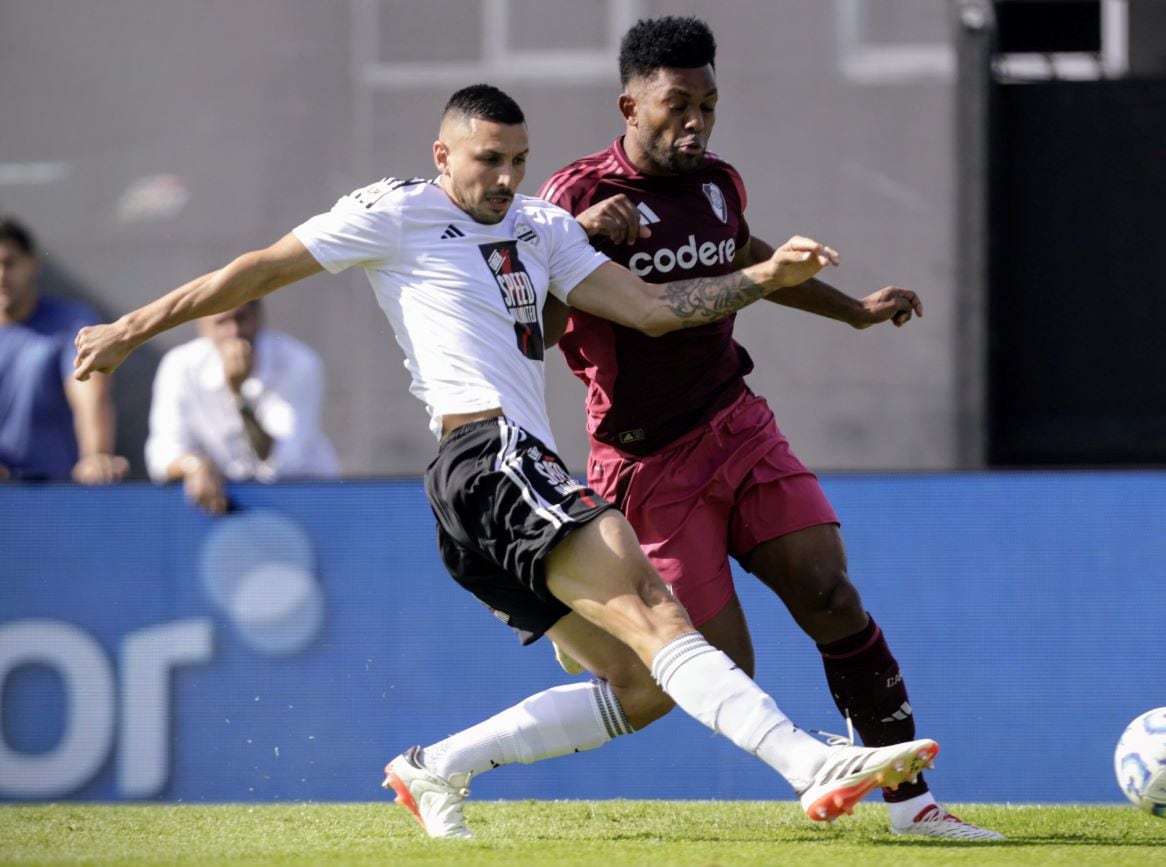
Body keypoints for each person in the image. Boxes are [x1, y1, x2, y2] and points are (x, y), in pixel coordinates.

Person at [73, 84, 941, 839]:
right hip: (487, 455)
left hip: (499, 483)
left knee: (639, 683)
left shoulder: (543, 226)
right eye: (488, 160)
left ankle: (433, 765)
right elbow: (253, 272)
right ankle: (808, 766)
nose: (505, 179)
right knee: (654, 606)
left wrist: (763, 278)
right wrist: (126, 329)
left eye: (519, 160)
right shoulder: (398, 210)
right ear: (442, 154)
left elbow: (649, 308)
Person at [538, 17, 1001, 841]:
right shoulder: (572, 198)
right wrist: (577, 241)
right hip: (646, 465)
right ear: (630, 105)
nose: (697, 123)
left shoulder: (718, 183)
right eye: (677, 105)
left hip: (736, 425)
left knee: (829, 589)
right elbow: (529, 327)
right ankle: (589, 629)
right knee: (717, 670)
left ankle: (913, 802)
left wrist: (852, 310)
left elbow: (740, 252)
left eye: (709, 105)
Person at [145, 299, 341, 514]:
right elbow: (162, 454)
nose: (234, 332)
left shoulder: (300, 362)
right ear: (201, 326)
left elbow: (283, 463)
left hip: (302, 503)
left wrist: (238, 397)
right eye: (221, 322)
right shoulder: (178, 366)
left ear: (258, 318)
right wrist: (194, 465)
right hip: (223, 509)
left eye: (241, 318)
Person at [0, 216, 128, 483]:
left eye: (8, 263)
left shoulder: (73, 323)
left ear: (33, 263)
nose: (1, 275)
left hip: (57, 494)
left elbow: (90, 396)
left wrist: (96, 455)